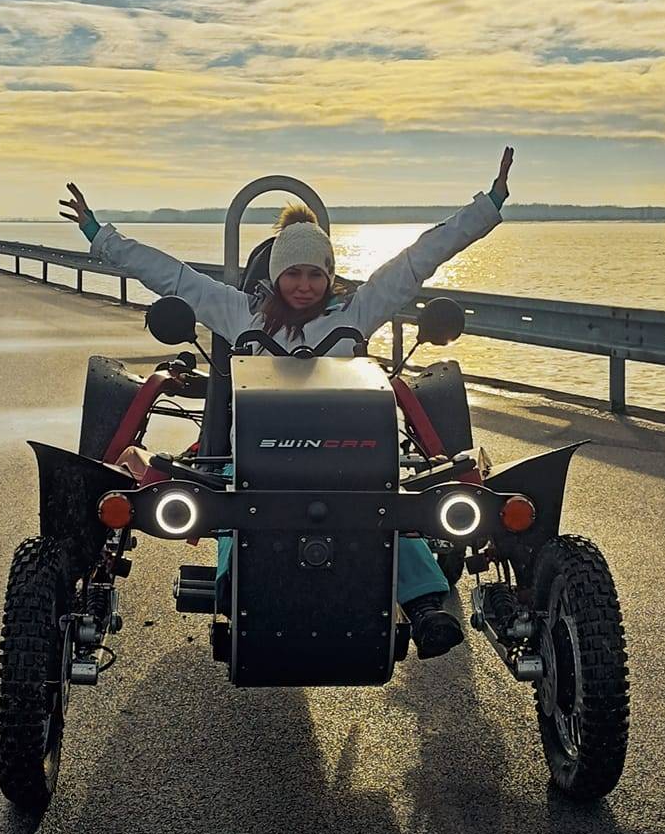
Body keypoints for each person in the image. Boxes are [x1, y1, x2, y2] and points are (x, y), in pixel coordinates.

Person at [60, 149, 514, 657]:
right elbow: (172, 277)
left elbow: (418, 259)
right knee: (233, 507)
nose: (304, 285)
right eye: (293, 274)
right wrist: (100, 235)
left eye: (315, 275)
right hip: (258, 459)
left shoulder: (356, 314)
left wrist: (488, 205)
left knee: (387, 510)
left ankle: (425, 603)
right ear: (276, 275)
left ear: (329, 277)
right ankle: (235, 587)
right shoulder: (241, 316)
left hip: (348, 461)